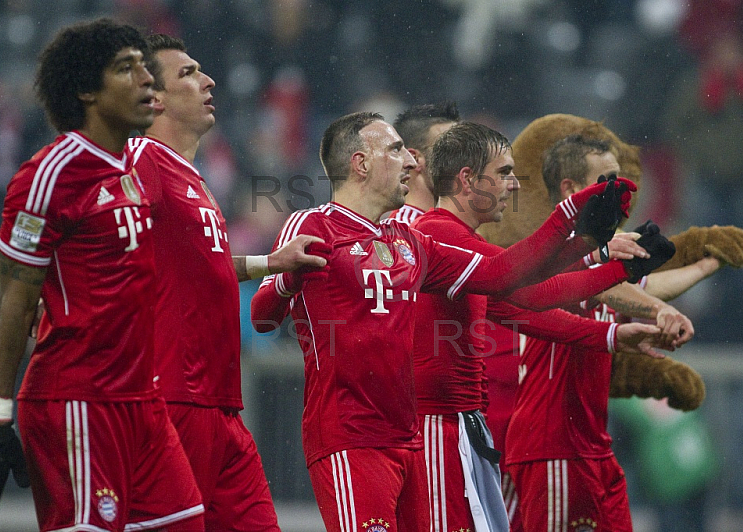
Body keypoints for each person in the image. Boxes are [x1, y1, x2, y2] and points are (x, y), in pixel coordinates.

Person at [249, 112, 658, 531]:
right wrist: (283, 278)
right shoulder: (314, 224)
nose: (411, 162)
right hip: (355, 435)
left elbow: (507, 282)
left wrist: (588, 243)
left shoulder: (409, 240)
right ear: (361, 163)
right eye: (395, 150)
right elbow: (261, 318)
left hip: (414, 439)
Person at [0, 19, 205, 530]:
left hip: (143, 404)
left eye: (145, 68)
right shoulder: (48, 176)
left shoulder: (127, 168)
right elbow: (16, 305)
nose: (147, 80)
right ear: (87, 90)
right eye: (126, 69)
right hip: (79, 401)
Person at [409, 123, 677, 531]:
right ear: (467, 179)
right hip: (437, 428)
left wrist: (611, 306)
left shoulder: (463, 244)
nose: (513, 186)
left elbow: (534, 302)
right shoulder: (437, 234)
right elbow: (510, 273)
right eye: (503, 173)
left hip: (465, 430)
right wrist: (574, 220)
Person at [125, 34, 327, 531]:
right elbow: (96, 242)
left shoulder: (190, 176)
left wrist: (267, 262)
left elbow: (199, 262)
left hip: (220, 401)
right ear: (154, 96)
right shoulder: (139, 160)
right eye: (188, 73)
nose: (208, 79)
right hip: (174, 396)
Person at [502, 134, 697, 532]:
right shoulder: (548, 253)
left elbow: (638, 289)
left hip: (590, 445)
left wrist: (710, 261)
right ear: (572, 190)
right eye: (609, 181)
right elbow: (601, 284)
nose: (623, 193)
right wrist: (661, 312)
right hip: (552, 446)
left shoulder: (605, 256)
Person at [387, 101, 461, 222]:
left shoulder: (454, 225)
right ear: (414, 159)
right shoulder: (404, 232)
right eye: (449, 149)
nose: (463, 159)